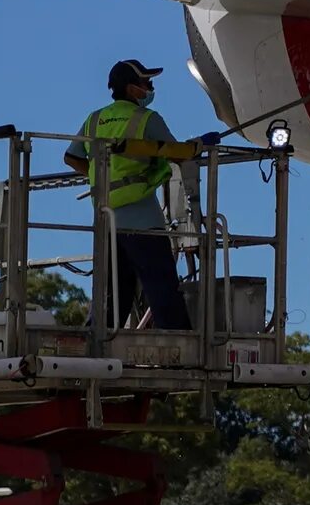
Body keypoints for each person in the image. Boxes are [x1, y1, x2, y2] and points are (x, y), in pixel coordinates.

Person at [60, 61, 217, 333]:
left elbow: (71, 157)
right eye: (148, 84)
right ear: (133, 89)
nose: (151, 89)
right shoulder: (146, 119)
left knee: (111, 295)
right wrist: (201, 144)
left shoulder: (95, 119)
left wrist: (102, 177)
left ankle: (94, 348)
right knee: (162, 288)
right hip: (143, 219)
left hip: (107, 221)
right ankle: (180, 344)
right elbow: (178, 153)